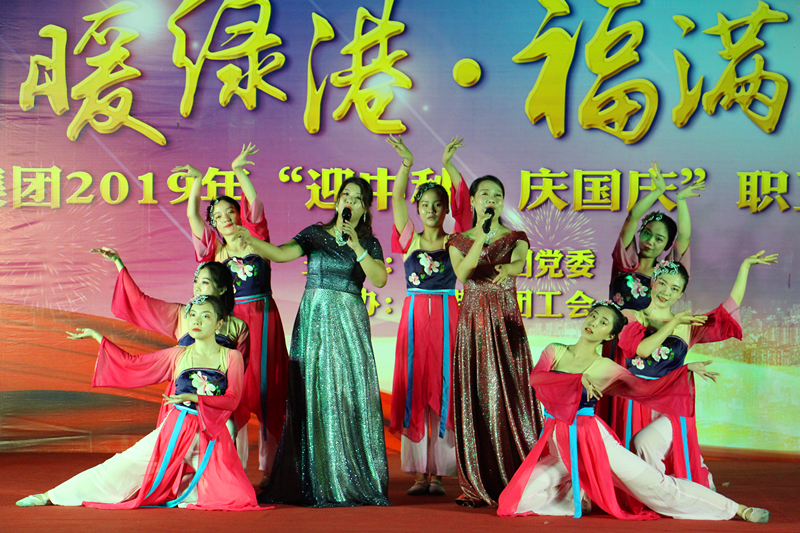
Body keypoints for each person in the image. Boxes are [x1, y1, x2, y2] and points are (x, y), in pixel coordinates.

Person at [497, 302, 769, 523]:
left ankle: (737, 509)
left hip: (594, 442)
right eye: (593, 316)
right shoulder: (555, 350)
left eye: (603, 322)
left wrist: (683, 372)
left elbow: (646, 389)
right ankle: (578, 498)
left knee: (658, 487)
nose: (594, 322)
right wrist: (576, 380)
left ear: (609, 336)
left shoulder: (607, 368)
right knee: (512, 502)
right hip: (561, 447)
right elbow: (536, 379)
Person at [16, 296, 262, 511]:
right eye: (193, 315)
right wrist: (99, 338)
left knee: (240, 497)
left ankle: (188, 489)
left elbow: (232, 401)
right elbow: (133, 363)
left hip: (210, 434)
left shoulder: (231, 356)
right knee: (122, 464)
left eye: (205, 316)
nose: (197, 321)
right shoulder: (178, 354)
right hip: (175, 428)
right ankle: (52, 495)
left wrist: (193, 397)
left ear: (219, 323)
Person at [246, 177, 390, 507]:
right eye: (346, 195)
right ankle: (317, 475)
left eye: (358, 198)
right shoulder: (315, 234)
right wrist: (249, 240)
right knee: (315, 393)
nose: (350, 201)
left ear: (365, 208)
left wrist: (357, 246)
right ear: (337, 202)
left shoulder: (368, 243)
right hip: (315, 320)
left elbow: (380, 279)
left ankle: (351, 477)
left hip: (349, 323)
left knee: (347, 393)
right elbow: (279, 254)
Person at [174, 143, 289, 485]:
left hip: (264, 322)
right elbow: (193, 218)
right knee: (233, 393)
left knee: (269, 390)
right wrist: (197, 182)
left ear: (240, 216)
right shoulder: (214, 252)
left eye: (231, 213)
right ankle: (232, 469)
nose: (225, 219)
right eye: (218, 216)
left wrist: (239, 171)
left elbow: (256, 205)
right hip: (232, 325)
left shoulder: (257, 238)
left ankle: (271, 471)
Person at [615, 252, 778, 487]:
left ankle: (674, 491)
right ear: (653, 282)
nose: (666, 292)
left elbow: (725, 313)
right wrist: (673, 323)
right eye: (663, 283)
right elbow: (641, 350)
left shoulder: (688, 326)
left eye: (674, 289)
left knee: (649, 445)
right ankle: (659, 494)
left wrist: (745, 267)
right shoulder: (631, 316)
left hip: (671, 401)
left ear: (681, 294)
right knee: (636, 457)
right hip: (636, 401)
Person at [90, 247, 251, 467]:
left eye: (204, 282)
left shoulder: (238, 327)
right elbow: (140, 303)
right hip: (181, 395)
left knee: (218, 455)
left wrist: (216, 397)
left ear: (222, 289)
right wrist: (119, 263)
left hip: (216, 400)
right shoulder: (182, 315)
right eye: (196, 281)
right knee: (174, 457)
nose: (197, 287)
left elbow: (239, 370)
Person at [447, 175, 542, 507]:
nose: (491, 199)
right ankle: (477, 481)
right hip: (473, 325)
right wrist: (480, 235)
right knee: (476, 395)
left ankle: (521, 474)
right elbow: (463, 274)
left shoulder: (516, 238)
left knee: (510, 394)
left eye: (497, 195)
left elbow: (520, 262)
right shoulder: (457, 241)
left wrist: (510, 269)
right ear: (473, 201)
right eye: (485, 194)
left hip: (505, 324)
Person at [386, 135, 470, 496]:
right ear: (418, 209)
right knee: (416, 385)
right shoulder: (410, 239)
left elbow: (465, 204)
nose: (431, 210)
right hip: (416, 317)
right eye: (425, 204)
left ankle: (439, 474)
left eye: (438, 204)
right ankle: (420, 473)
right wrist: (406, 164)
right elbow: (396, 199)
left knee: (444, 384)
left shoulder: (456, 241)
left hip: (449, 316)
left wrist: (449, 165)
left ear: (445, 209)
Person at [609, 161, 703, 311]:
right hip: (615, 325)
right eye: (647, 233)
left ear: (667, 245)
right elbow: (632, 217)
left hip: (653, 327)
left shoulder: (667, 272)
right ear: (640, 233)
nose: (650, 241)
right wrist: (658, 191)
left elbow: (684, 236)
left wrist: (681, 200)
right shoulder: (625, 260)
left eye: (659, 239)